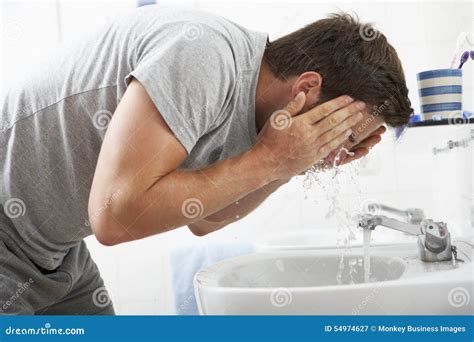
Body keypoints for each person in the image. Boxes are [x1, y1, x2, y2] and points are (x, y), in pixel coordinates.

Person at [0, 5, 412, 315]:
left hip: (54, 253)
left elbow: (204, 219)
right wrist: (271, 159)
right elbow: (113, 216)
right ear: (306, 87)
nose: (337, 148)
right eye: (340, 132)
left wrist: (291, 164)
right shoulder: (204, 58)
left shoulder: (252, 109)